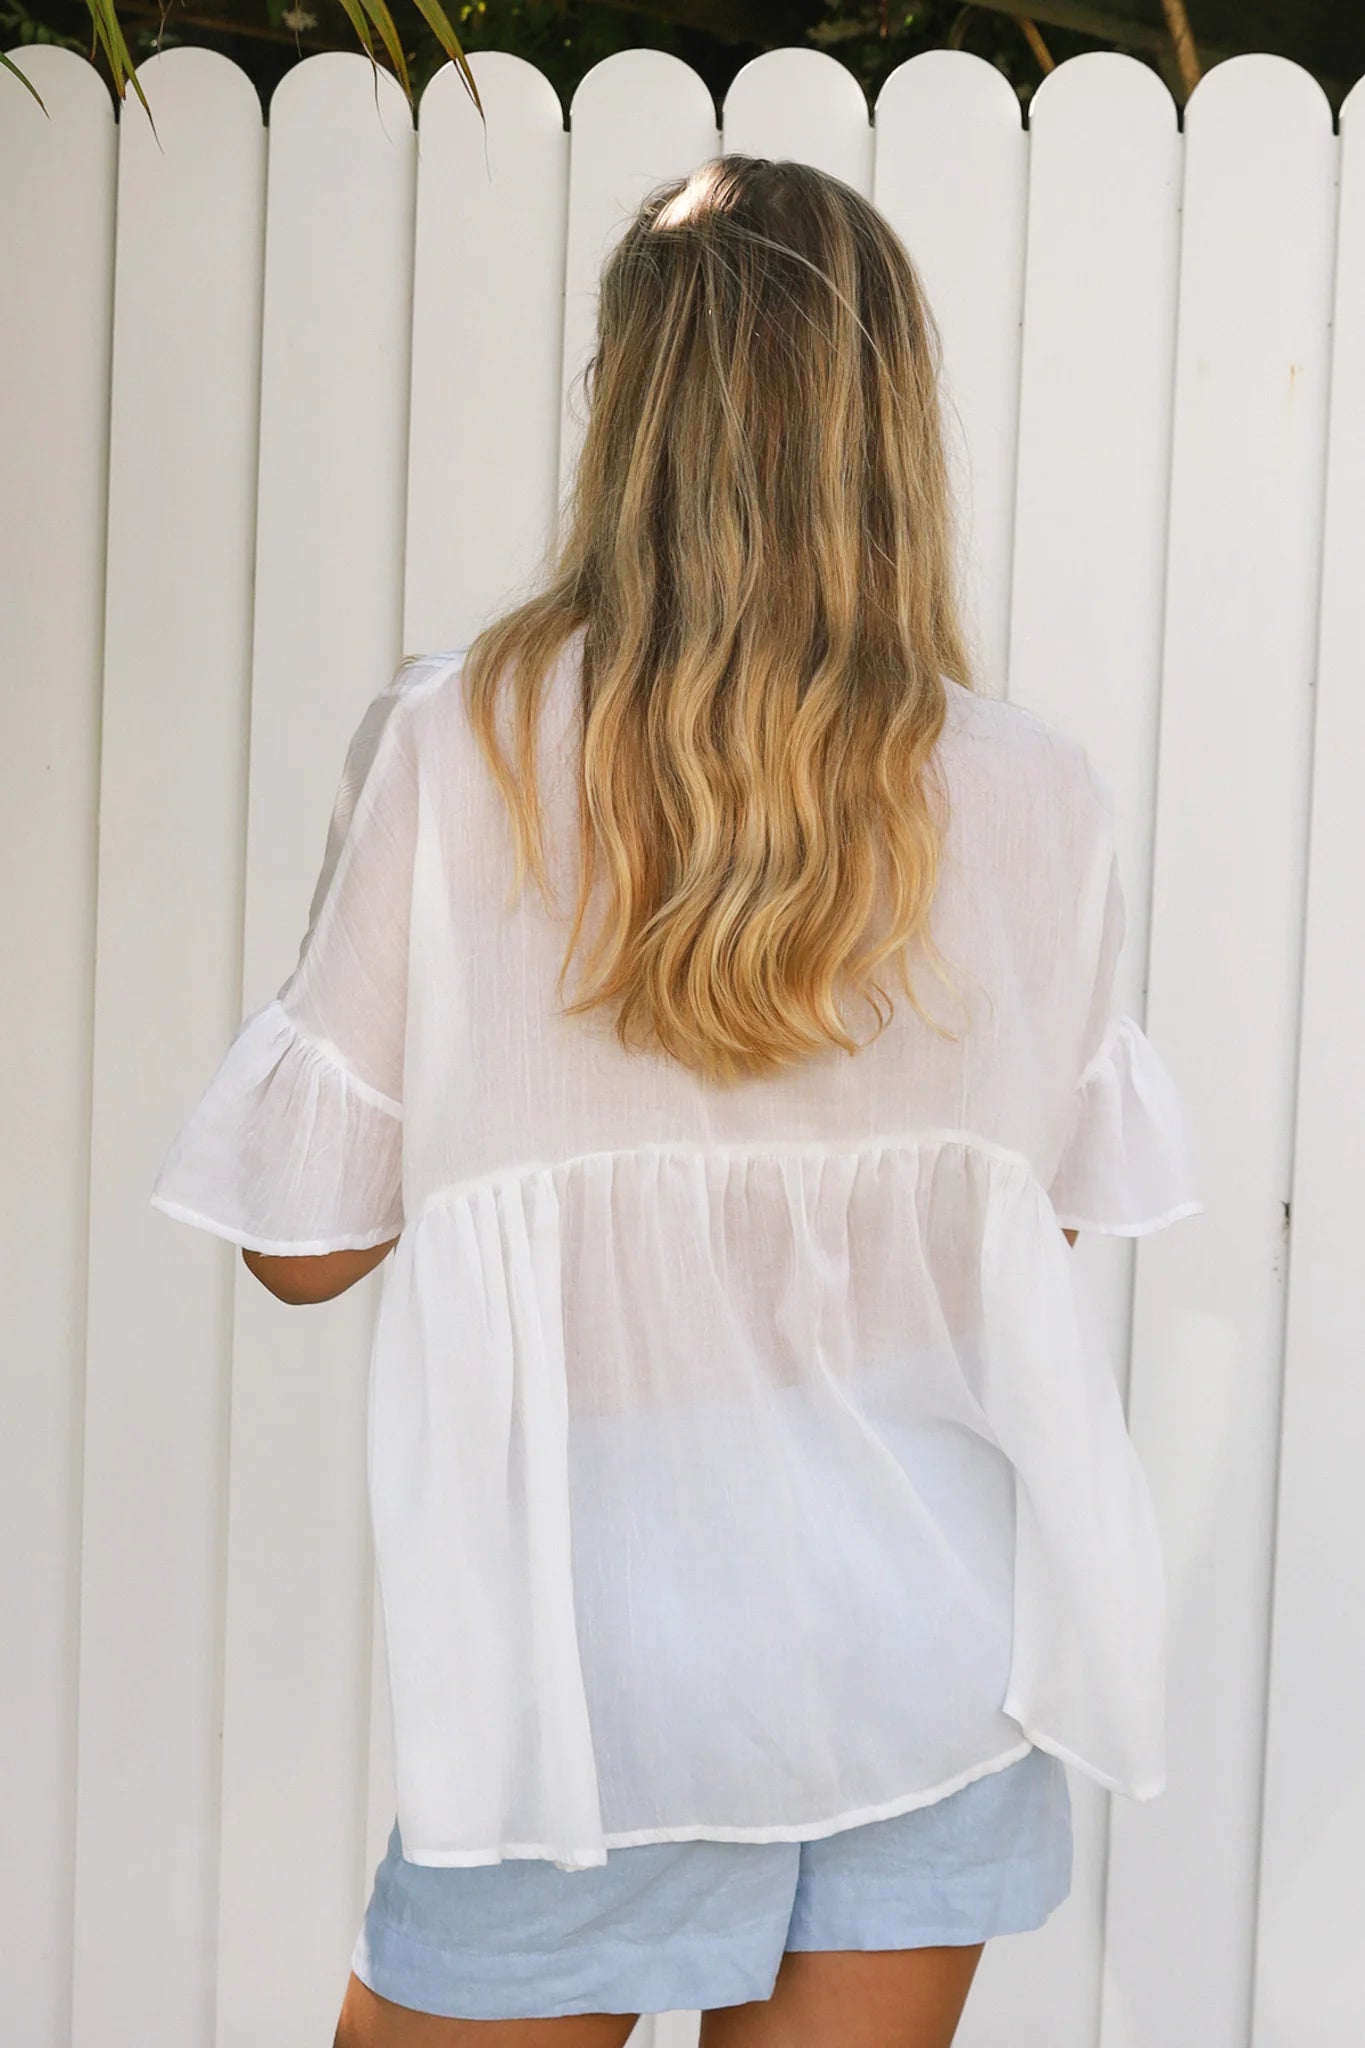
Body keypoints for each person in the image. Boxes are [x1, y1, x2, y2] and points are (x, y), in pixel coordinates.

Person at [150, 155, 1203, 2048]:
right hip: (926, 1650)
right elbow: (1021, 1242)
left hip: (596, 1672)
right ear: (893, 427)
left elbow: (298, 1254)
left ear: (622, 411)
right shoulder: (1038, 794)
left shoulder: (458, 744)